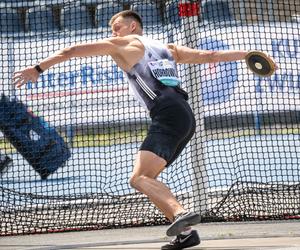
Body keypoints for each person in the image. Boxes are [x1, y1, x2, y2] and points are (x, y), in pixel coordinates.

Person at [13, 10, 277, 250]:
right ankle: (185, 233)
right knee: (145, 178)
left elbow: (71, 49)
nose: (112, 33)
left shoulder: (124, 43)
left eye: (116, 27)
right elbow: (210, 56)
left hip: (167, 114)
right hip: (185, 116)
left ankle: (181, 213)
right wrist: (247, 54)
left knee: (139, 179)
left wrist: (37, 69)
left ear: (132, 26)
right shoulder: (167, 48)